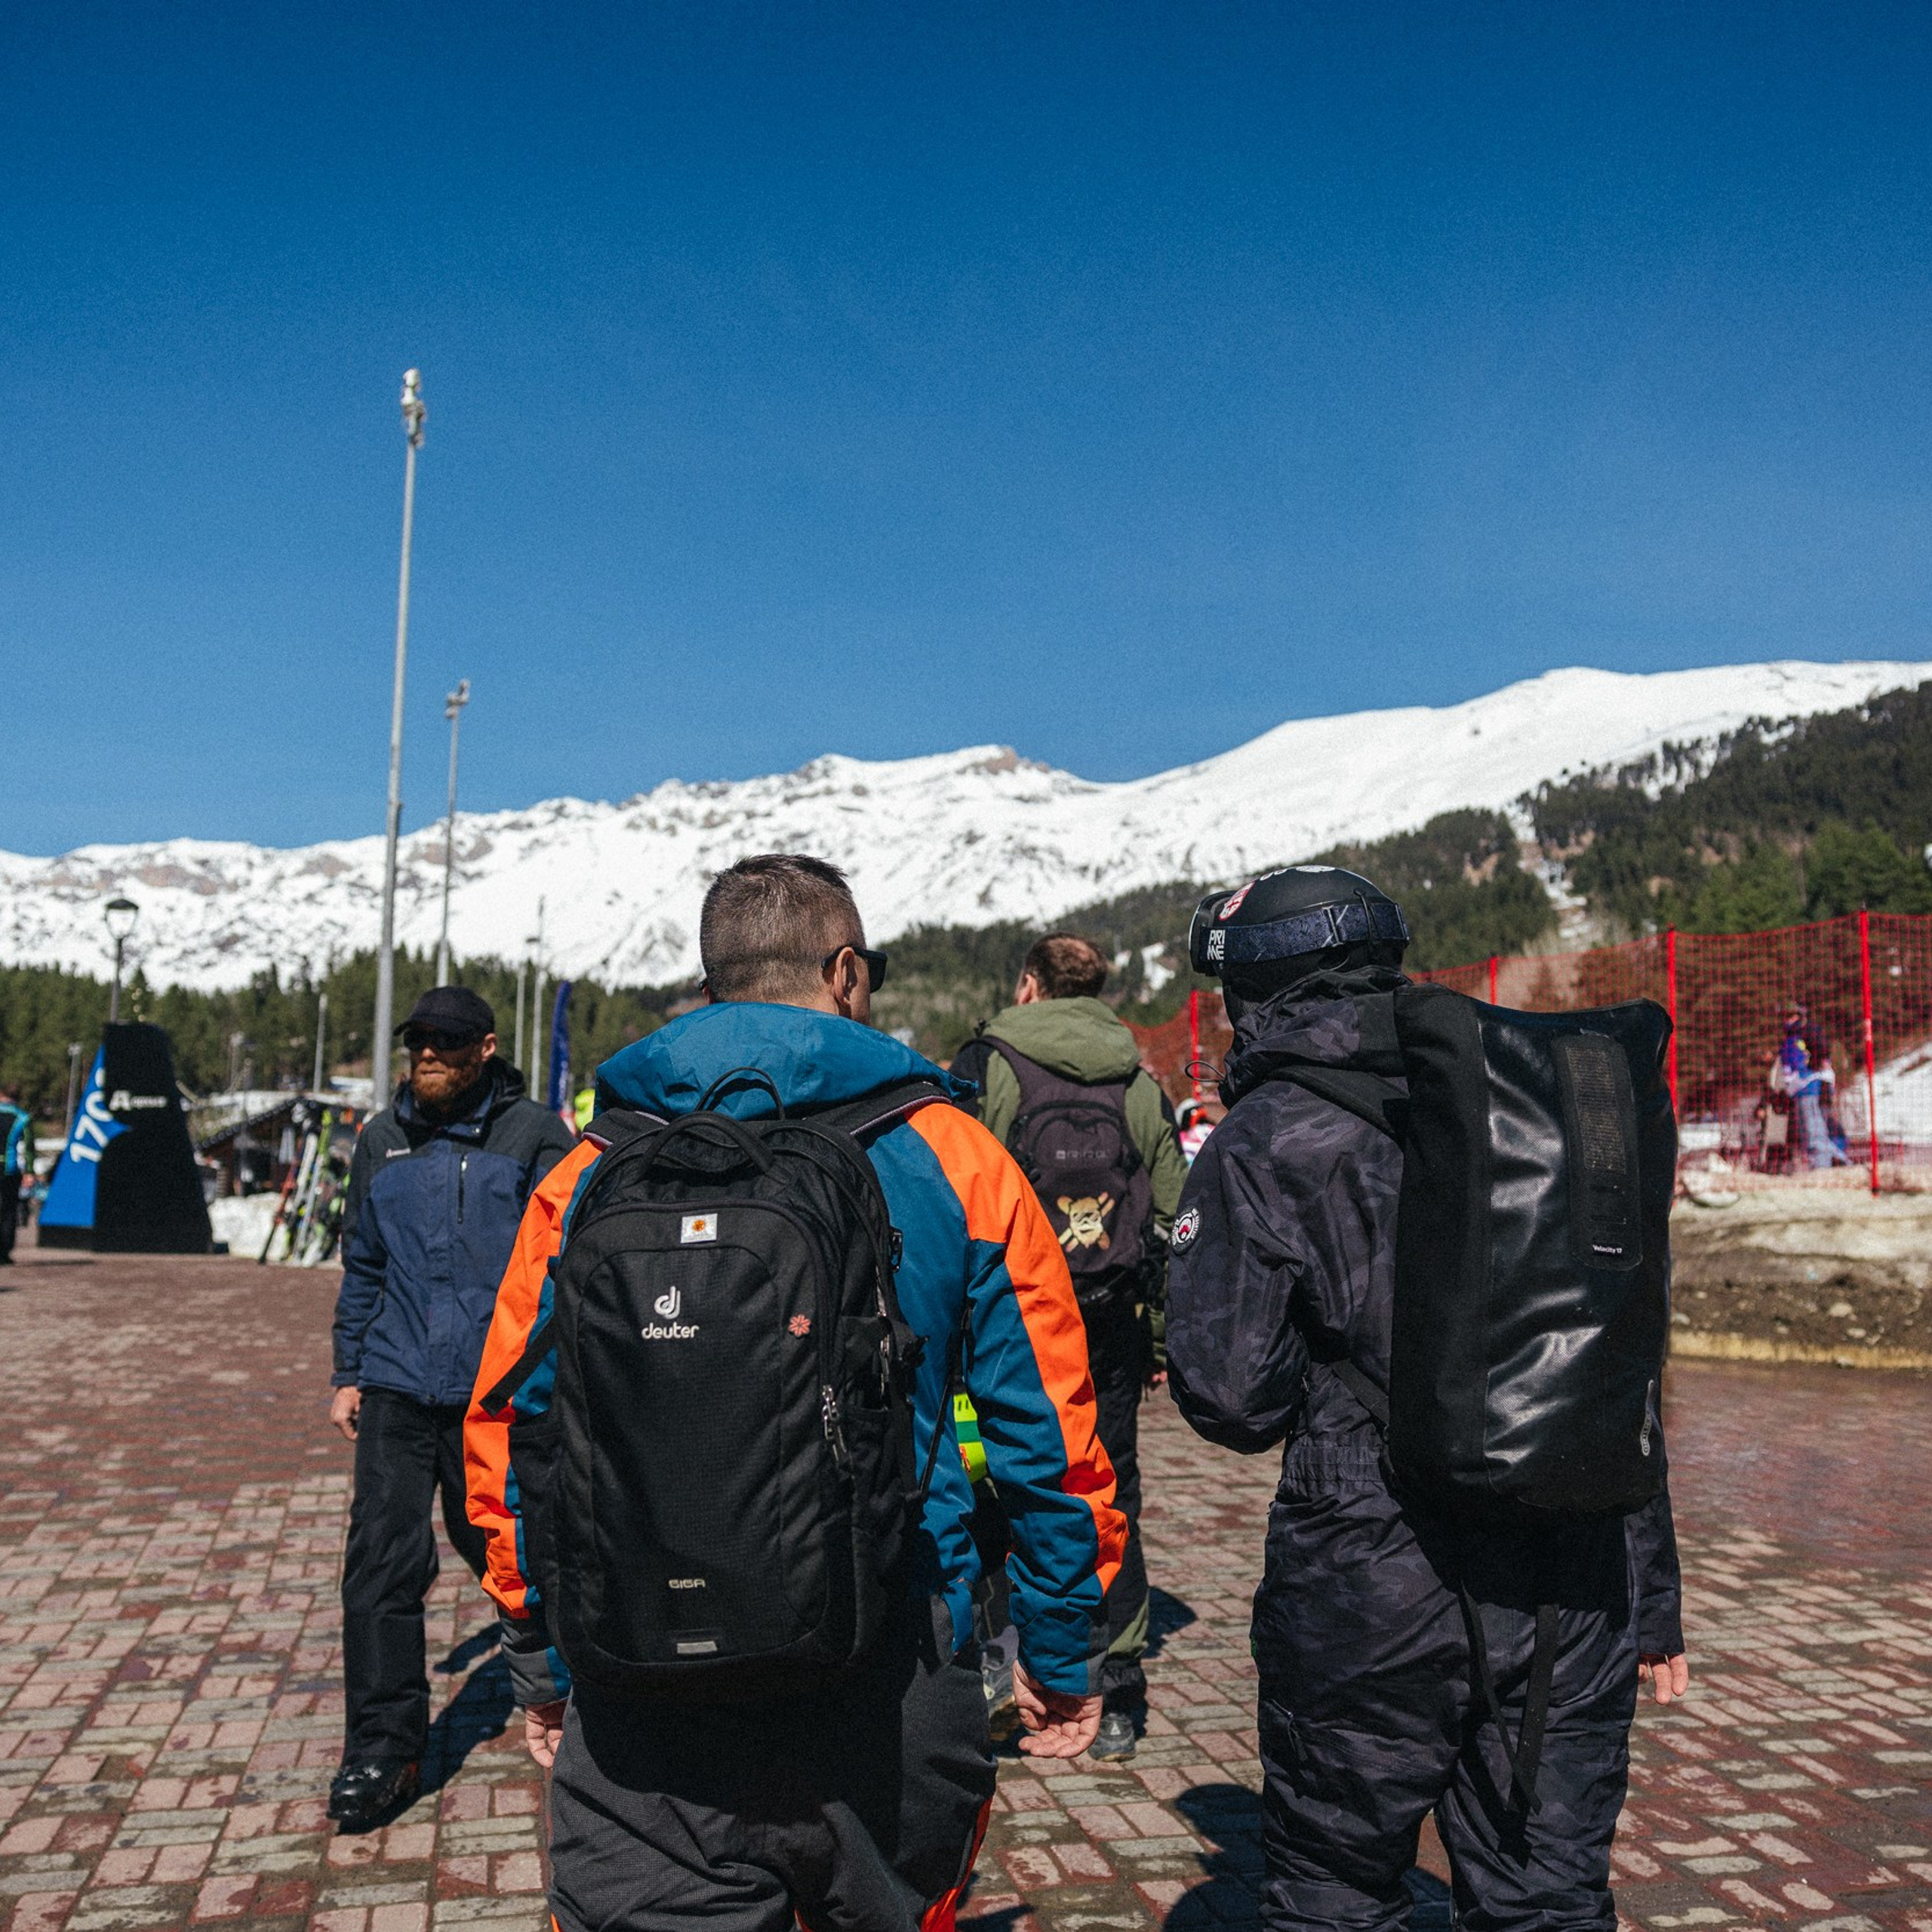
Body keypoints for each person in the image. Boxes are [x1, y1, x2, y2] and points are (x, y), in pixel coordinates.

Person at [466, 854, 1124, 1932]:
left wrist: (535, 1642)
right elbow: (1046, 1427)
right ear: (847, 972)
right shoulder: (952, 1150)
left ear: (713, 979)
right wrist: (1057, 1647)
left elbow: (508, 1423)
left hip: (641, 1674)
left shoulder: (591, 1166)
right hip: (888, 1661)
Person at [1164, 863, 1688, 1932]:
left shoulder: (1266, 1139)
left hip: (1369, 1569)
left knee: (1338, 1892)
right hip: (1572, 1564)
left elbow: (1233, 1399)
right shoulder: (1536, 1100)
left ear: (1252, 993)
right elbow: (1617, 1362)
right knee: (1548, 1894)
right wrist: (1654, 1599)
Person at [327, 986, 577, 1829]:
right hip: (398, 1387)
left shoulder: (536, 1135)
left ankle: (586, 1708)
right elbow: (363, 1263)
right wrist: (348, 1370)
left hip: (497, 1398)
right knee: (380, 1569)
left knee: (518, 1555)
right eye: (418, 1041)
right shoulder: (381, 1140)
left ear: (486, 1047)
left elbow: (566, 1267)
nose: (427, 1053)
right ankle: (383, 1749)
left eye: (447, 1040)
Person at [952, 934, 1186, 1760]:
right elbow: (1172, 1218)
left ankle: (996, 1676)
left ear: (1028, 984)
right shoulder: (1135, 1077)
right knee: (1107, 1489)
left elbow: (956, 1191)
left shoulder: (993, 1063)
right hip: (1109, 1321)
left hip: (1011, 1322)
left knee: (991, 1488)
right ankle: (1116, 1689)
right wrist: (1156, 1336)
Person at [1768, 1003, 1850, 1171]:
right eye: (1785, 1016)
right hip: (1801, 1091)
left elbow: (1823, 1059)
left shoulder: (1808, 1032)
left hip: (1812, 1089)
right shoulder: (1789, 1040)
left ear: (1800, 1016)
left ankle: (1825, 1170)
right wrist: (1786, 1094)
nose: (1788, 1020)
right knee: (1810, 1137)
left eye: (1792, 1016)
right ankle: (1837, 1162)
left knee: (1815, 1136)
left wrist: (1823, 1080)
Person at [0, 1085, 32, 1266]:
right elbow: (29, 1149)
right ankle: (4, 1252)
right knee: (8, 1210)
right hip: (9, 1170)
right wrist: (29, 1172)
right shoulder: (22, 1118)